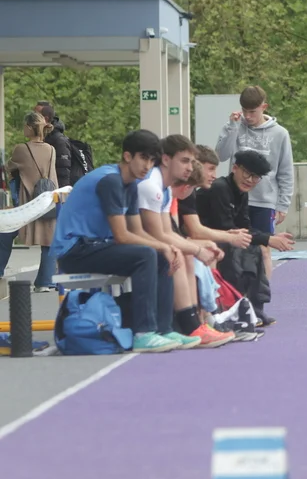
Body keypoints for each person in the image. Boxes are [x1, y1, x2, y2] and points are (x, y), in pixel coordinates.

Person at [51, 130, 183, 353]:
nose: (147, 166)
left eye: (152, 160)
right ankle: (143, 333)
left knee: (159, 255)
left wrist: (168, 247)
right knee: (146, 254)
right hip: (73, 251)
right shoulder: (111, 181)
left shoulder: (130, 184)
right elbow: (122, 236)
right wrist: (162, 245)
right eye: (143, 158)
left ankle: (163, 329)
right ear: (127, 156)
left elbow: (136, 231)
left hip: (95, 246)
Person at [136, 134, 232, 348]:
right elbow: (159, 235)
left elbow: (167, 233)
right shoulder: (151, 186)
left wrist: (195, 248)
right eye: (185, 161)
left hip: (140, 238)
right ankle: (186, 325)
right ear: (166, 159)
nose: (190, 167)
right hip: (114, 240)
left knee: (182, 252)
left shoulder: (163, 189)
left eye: (191, 161)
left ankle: (193, 324)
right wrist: (196, 249)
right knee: (175, 253)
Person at [198, 149, 295, 327]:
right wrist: (267, 239)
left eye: (256, 177)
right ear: (235, 168)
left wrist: (269, 237)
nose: (250, 180)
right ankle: (232, 308)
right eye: (247, 174)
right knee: (237, 249)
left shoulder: (242, 193)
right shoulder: (220, 188)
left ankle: (255, 308)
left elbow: (244, 226)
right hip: (208, 237)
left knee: (257, 249)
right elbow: (226, 227)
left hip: (223, 236)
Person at [214, 85, 294, 280]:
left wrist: (282, 205)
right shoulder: (234, 126)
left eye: (252, 112)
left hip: (264, 201)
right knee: (234, 246)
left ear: (264, 107)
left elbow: (285, 171)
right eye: (245, 111)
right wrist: (232, 127)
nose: (248, 116)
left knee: (263, 248)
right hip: (236, 198)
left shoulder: (280, 133)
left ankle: (262, 291)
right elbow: (221, 155)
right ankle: (235, 288)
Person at [1, 112, 59, 291]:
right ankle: (44, 282)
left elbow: (9, 166)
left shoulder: (21, 149)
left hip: (28, 204)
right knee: (48, 240)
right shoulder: (51, 149)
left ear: (28, 127)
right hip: (47, 201)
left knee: (5, 232)